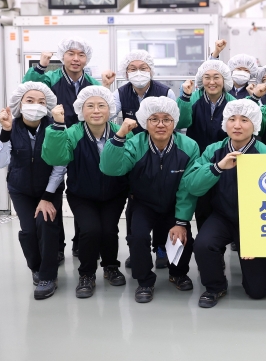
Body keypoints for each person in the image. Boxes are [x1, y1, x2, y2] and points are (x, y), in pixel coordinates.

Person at [100, 97, 200, 303]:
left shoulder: (189, 147)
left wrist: (181, 221)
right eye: (154, 119)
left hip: (174, 204)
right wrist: (119, 136)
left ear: (175, 122)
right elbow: (110, 168)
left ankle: (178, 273)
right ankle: (144, 281)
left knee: (182, 237)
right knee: (138, 238)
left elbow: (187, 188)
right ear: (145, 122)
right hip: (142, 203)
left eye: (167, 119)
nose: (161, 124)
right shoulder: (134, 143)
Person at [23, 37, 114, 258]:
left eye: (81, 55)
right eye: (71, 54)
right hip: (55, 142)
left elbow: (98, 107)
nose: (76, 59)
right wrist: (41, 66)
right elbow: (28, 89)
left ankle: (79, 241)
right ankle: (58, 246)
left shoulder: (92, 82)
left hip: (83, 144)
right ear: (62, 56)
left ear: (86, 59)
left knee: (81, 189)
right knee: (54, 192)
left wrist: (105, 87)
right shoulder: (51, 79)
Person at [185, 100, 266, 308]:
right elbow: (193, 186)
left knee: (258, 291)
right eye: (232, 119)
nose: (237, 125)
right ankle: (215, 286)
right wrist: (217, 167)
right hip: (222, 216)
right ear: (224, 124)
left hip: (255, 220)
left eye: (244, 120)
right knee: (203, 244)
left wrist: (258, 239)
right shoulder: (213, 151)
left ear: (255, 125)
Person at [42, 86, 129, 299]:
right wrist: (57, 126)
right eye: (90, 106)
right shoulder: (72, 132)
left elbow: (133, 164)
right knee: (90, 231)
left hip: (114, 193)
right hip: (82, 195)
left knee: (109, 230)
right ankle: (87, 274)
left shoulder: (123, 131)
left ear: (111, 109)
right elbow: (56, 158)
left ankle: (110, 266)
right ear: (81, 110)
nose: (96, 110)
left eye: (102, 105)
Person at [104, 49, 179, 269]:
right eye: (133, 68)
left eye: (143, 68)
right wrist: (106, 89)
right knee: (135, 205)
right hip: (134, 153)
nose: (138, 72)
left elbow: (177, 122)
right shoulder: (121, 93)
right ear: (125, 72)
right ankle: (138, 250)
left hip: (162, 150)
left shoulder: (165, 92)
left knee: (165, 201)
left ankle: (162, 248)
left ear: (151, 70)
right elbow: (107, 114)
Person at [0, 82, 65, 300]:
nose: (36, 105)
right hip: (20, 189)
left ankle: (48, 276)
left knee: (47, 225)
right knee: (29, 230)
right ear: (19, 104)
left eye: (42, 102)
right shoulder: (11, 127)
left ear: (48, 106)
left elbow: (60, 166)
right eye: (30, 101)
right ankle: (36, 267)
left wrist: (47, 197)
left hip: (49, 189)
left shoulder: (55, 127)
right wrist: (5, 132)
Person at [177, 60, 236, 232]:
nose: (212, 82)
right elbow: (181, 122)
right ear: (201, 80)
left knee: (225, 200)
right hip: (197, 160)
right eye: (207, 77)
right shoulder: (192, 98)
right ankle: (206, 243)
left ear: (224, 79)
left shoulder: (232, 103)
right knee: (201, 204)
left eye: (216, 77)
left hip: (224, 159)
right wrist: (185, 97)